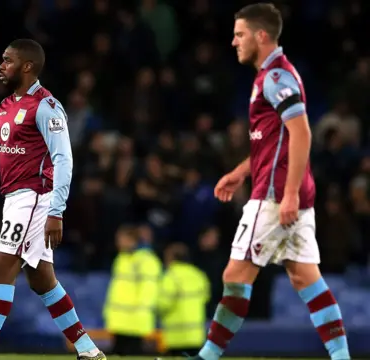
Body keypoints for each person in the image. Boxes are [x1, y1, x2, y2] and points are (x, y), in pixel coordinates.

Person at [192, 4, 351, 360]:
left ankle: (207, 357)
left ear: (261, 36)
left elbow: (302, 133)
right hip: (283, 187)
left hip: (276, 193)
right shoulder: (270, 76)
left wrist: (289, 193)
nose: (233, 41)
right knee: (305, 277)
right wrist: (241, 171)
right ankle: (341, 357)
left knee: (236, 273)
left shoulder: (277, 77)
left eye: (240, 34)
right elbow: (273, 140)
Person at [0, 39, 106, 360]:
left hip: (36, 198)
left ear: (27, 67)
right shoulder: (6, 106)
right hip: (15, 199)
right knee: (41, 279)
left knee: (1, 270)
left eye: (8, 60)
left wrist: (57, 211)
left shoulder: (46, 106)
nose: (1, 66)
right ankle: (88, 350)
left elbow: (64, 159)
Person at [104, 225, 161, 356]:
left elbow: (149, 289)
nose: (118, 242)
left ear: (131, 239)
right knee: (118, 353)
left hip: (135, 318)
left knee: (133, 353)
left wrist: (141, 310)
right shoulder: (121, 258)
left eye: (121, 239)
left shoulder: (146, 259)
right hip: (120, 318)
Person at [157, 242, 209, 356]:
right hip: (196, 335)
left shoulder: (171, 276)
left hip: (176, 336)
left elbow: (164, 304)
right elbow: (205, 298)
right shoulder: (199, 275)